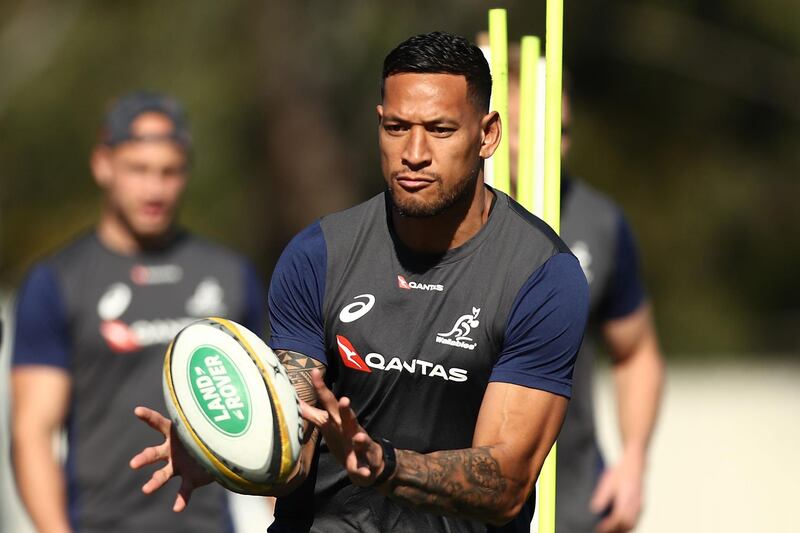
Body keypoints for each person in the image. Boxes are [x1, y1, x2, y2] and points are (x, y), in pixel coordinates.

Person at [131, 32, 589, 532]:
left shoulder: (541, 276)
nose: (414, 152)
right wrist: (230, 451)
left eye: (439, 129)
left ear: (487, 135)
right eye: (397, 127)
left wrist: (386, 465)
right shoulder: (319, 256)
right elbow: (295, 451)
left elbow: (506, 481)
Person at [11, 91, 266, 533]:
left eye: (169, 172)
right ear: (103, 165)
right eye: (139, 170)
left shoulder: (230, 275)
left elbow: (268, 417)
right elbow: (32, 435)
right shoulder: (56, 282)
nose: (155, 189)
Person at [506, 60, 666, 532]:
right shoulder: (435, 224)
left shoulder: (599, 222)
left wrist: (634, 461)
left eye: (561, 130)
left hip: (573, 506)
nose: (548, 146)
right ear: (487, 131)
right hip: (456, 508)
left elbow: (636, 351)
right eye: (524, 129)